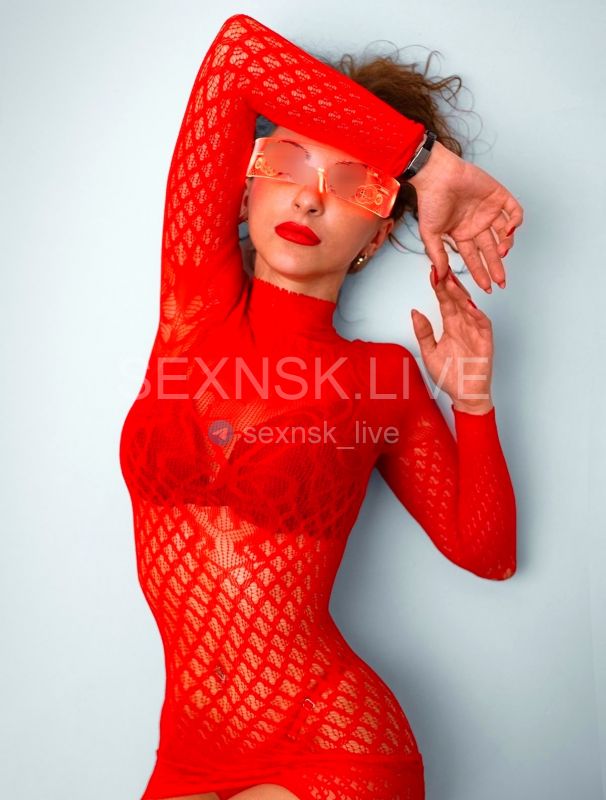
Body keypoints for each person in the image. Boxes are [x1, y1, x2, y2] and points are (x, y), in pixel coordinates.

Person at [119, 13, 519, 800]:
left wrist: (472, 401)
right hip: (187, 758)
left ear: (377, 234)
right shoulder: (191, 312)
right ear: (246, 184)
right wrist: (425, 163)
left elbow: (488, 553)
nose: (309, 198)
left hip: (330, 746)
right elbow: (237, 55)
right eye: (288, 162)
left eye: (352, 184)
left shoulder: (382, 381)